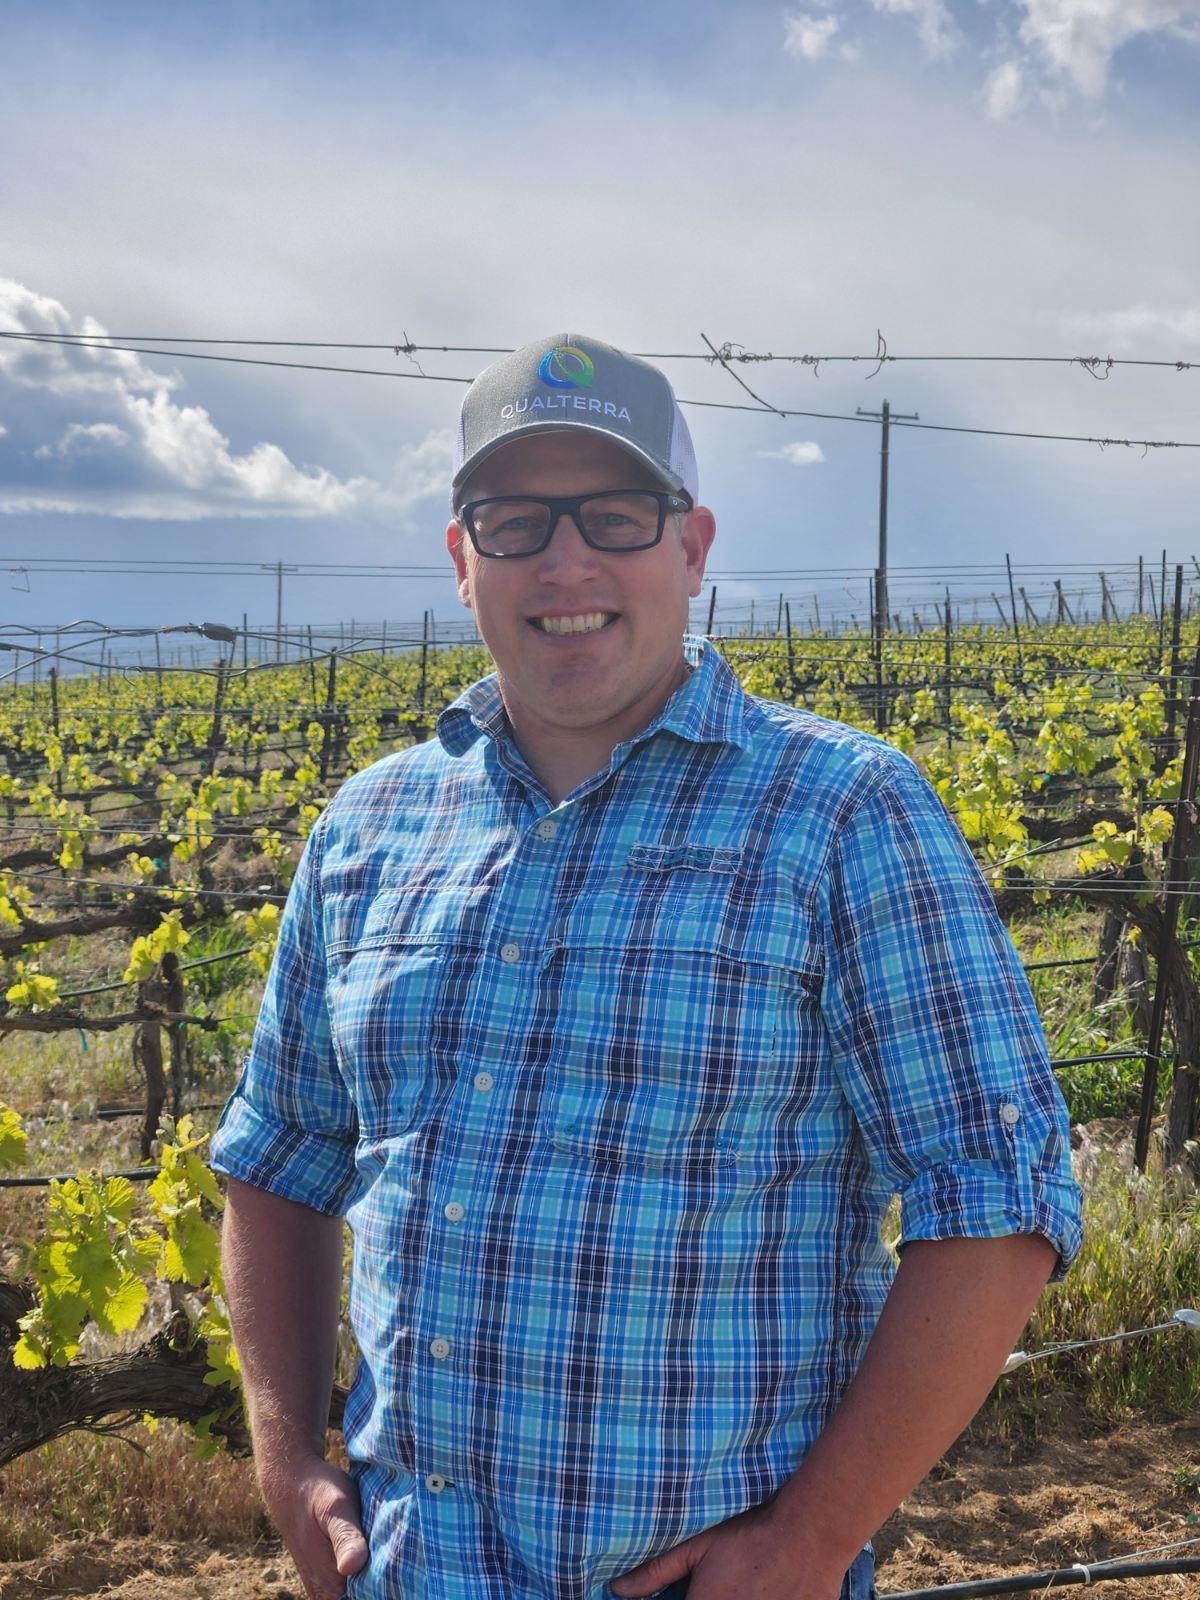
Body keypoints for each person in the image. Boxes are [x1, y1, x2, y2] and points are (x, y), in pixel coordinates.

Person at [208, 334, 1084, 1600]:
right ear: (462, 559)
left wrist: (807, 1542)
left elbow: (998, 1198)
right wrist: (288, 1460)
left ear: (693, 546)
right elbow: (277, 1156)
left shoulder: (843, 812)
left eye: (615, 514)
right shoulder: (367, 827)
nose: (565, 562)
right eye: (515, 522)